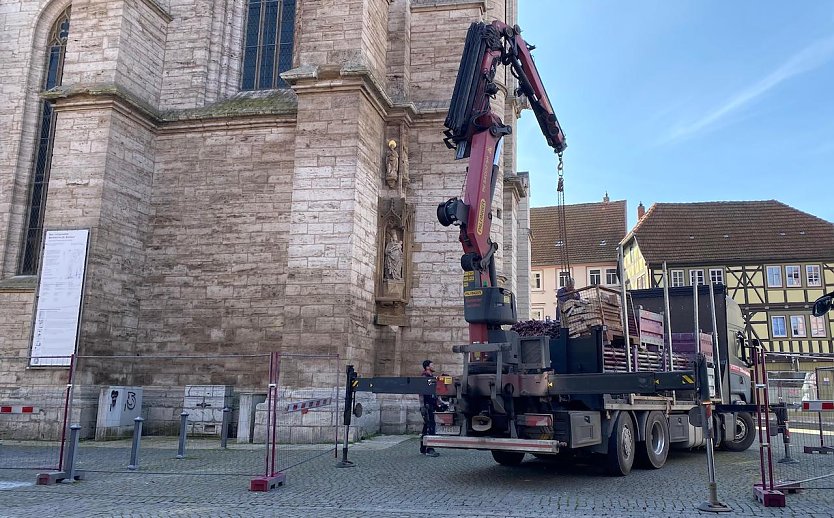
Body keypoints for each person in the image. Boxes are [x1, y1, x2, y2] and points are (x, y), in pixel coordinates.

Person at [419, 359, 440, 457]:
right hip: (427, 405)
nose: (433, 366)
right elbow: (422, 393)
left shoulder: (431, 377)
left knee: (426, 426)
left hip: (430, 404)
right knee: (430, 426)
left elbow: (433, 393)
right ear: (427, 367)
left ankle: (423, 448)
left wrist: (438, 403)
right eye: (432, 365)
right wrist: (423, 406)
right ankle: (430, 449)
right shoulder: (424, 377)